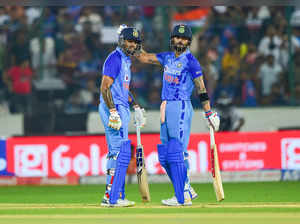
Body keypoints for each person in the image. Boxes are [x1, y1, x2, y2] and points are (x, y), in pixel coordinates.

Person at [135, 24, 220, 206]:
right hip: (165, 107)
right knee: (165, 156)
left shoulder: (191, 62)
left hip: (180, 106)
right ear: (172, 39)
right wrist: (133, 41)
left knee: (177, 151)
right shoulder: (166, 58)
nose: (180, 40)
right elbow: (142, 57)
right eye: (177, 37)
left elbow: (201, 89)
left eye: (184, 38)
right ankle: (185, 187)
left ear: (188, 41)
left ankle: (183, 196)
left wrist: (209, 113)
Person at [99, 25, 146, 207]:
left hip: (122, 107)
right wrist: (112, 111)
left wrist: (135, 106)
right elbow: (105, 87)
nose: (132, 44)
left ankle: (118, 194)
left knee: (123, 153)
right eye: (129, 40)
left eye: (135, 42)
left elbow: (122, 89)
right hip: (112, 108)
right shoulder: (115, 58)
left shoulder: (126, 61)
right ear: (121, 41)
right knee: (117, 151)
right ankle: (110, 196)